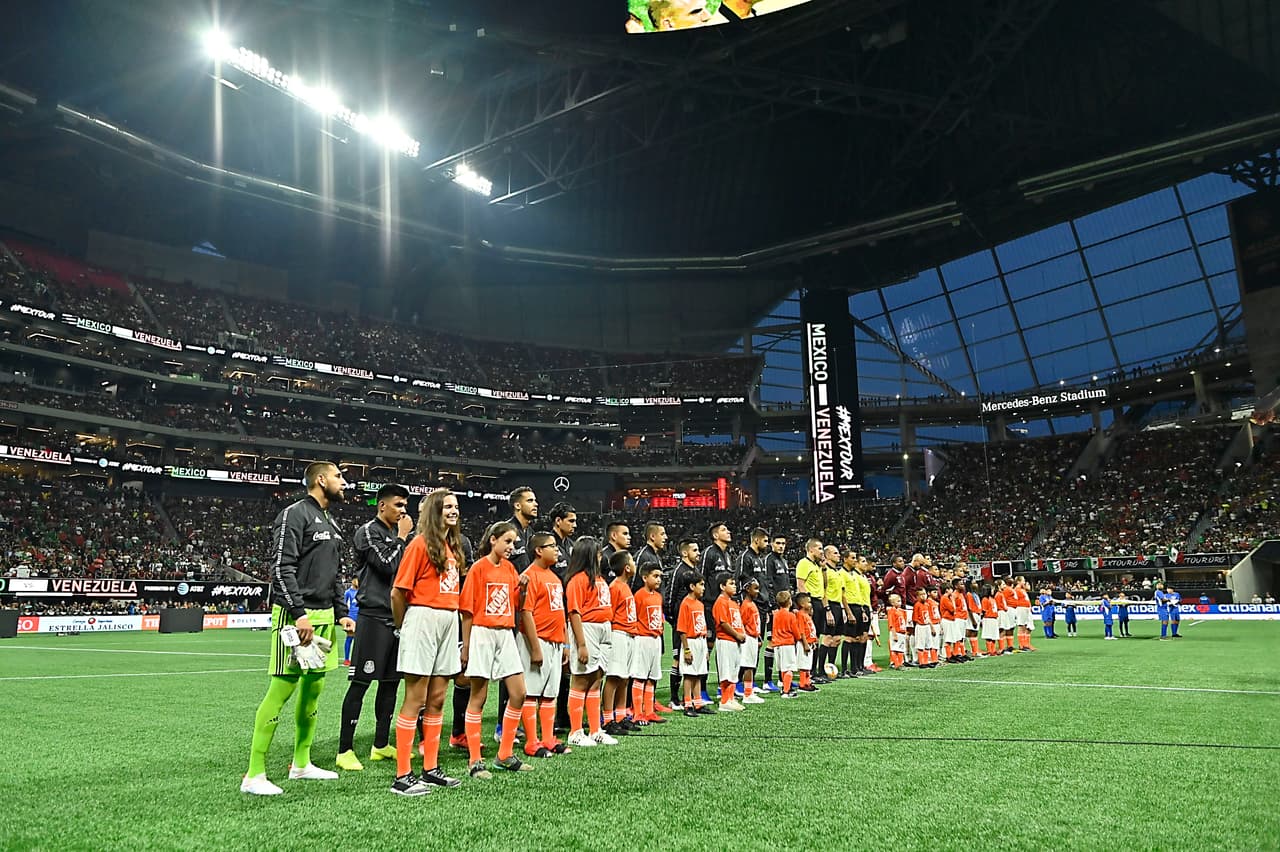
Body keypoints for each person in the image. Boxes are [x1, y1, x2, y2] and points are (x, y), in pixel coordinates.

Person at [241, 461, 355, 796]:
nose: (344, 482)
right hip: (297, 617)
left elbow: (334, 574)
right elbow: (280, 566)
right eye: (338, 477)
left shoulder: (331, 521)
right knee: (281, 690)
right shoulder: (294, 514)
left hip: (322, 618)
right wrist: (299, 613)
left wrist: (341, 613)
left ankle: (301, 764)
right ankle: (254, 774)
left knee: (313, 691)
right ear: (320, 480)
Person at [389, 488, 466, 796]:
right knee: (415, 699)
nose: (453, 510)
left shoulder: (451, 547)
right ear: (434, 510)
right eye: (447, 506)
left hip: (449, 619)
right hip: (422, 617)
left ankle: (430, 769)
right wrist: (402, 625)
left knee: (436, 699)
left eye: (456, 506)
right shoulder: (420, 544)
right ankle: (402, 775)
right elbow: (398, 592)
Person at [336, 484, 413, 772]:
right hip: (372, 618)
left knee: (391, 683)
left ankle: (380, 744)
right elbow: (386, 566)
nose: (403, 510)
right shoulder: (368, 531)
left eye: (405, 505)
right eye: (398, 505)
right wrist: (403, 538)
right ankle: (344, 749)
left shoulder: (394, 536)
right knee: (360, 684)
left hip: (396, 619)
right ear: (382, 506)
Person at [459, 521, 534, 780]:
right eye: (507, 541)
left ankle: (504, 755)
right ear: (493, 540)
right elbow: (467, 611)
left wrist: (522, 589)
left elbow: (517, 604)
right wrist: (466, 646)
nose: (512, 547)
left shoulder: (511, 569)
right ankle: (474, 761)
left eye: (514, 542)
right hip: (482, 632)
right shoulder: (478, 568)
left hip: (505, 633)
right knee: (478, 697)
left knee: (519, 692)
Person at [517, 532, 570, 759]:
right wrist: (535, 647)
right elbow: (525, 612)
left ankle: (547, 738)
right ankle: (531, 741)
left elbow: (561, 612)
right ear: (539, 550)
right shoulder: (530, 575)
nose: (557, 550)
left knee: (550, 693)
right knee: (531, 692)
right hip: (536, 640)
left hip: (556, 642)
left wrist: (566, 643)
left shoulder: (554, 578)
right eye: (552, 546)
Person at [492, 486, 538, 745]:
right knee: (507, 668)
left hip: (525, 607)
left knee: (519, 667)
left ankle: (515, 720)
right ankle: (501, 725)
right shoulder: (506, 530)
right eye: (530, 501)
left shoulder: (530, 533)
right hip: (506, 609)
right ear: (517, 505)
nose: (535, 504)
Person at [564, 536, 617, 747]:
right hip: (587, 628)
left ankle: (595, 729)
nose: (600, 555)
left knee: (596, 679)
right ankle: (576, 731)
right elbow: (574, 612)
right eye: (597, 552)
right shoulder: (577, 580)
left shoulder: (599, 579)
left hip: (604, 628)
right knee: (580, 679)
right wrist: (581, 643)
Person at [632, 521, 671, 714]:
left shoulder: (656, 556)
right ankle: (636, 706)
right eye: (662, 534)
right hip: (642, 623)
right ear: (652, 536)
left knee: (654, 663)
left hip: (655, 617)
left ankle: (650, 702)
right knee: (640, 666)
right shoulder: (642, 556)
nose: (665, 538)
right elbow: (634, 588)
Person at [548, 502, 577, 732]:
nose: (574, 525)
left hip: (565, 611)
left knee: (564, 667)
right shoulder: (549, 544)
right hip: (551, 611)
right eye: (571, 520)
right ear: (558, 521)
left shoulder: (569, 545)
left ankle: (561, 716)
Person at [604, 551, 639, 736]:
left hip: (629, 634)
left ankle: (621, 715)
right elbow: (610, 613)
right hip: (618, 633)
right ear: (626, 567)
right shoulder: (615, 587)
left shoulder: (625, 586)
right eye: (632, 561)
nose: (635, 564)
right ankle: (608, 718)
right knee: (614, 677)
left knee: (624, 677)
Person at [666, 539, 703, 710]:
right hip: (681, 624)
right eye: (695, 550)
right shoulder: (678, 571)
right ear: (685, 553)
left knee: (690, 662)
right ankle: (674, 699)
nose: (698, 553)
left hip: (692, 624)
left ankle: (688, 698)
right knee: (677, 659)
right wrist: (674, 621)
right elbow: (670, 597)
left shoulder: (694, 571)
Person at [630, 562, 667, 724]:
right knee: (640, 676)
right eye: (655, 576)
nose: (659, 579)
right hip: (643, 639)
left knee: (652, 677)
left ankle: (650, 711)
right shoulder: (638, 596)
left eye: (660, 576)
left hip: (656, 640)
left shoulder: (658, 596)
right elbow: (634, 617)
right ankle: (638, 712)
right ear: (645, 578)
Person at [676, 575, 711, 717]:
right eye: (701, 585)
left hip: (701, 641)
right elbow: (682, 629)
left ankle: (698, 703)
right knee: (689, 675)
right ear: (692, 586)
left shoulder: (700, 604)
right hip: (691, 641)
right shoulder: (686, 603)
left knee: (698, 674)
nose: (703, 588)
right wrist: (686, 649)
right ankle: (687, 704)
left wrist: (706, 648)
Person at [712, 573, 746, 711]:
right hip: (726, 640)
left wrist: (741, 634)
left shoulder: (733, 602)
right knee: (726, 671)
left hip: (736, 641)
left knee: (733, 671)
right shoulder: (721, 601)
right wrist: (737, 634)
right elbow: (723, 623)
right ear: (722, 586)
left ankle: (731, 698)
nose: (735, 586)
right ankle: (724, 701)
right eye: (731, 583)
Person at [761, 534, 790, 691]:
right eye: (778, 543)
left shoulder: (783, 561)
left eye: (783, 543)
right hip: (774, 608)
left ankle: (781, 678)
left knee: (782, 643)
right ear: (772, 544)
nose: (781, 546)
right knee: (772, 642)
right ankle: (766, 681)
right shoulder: (769, 560)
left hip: (784, 608)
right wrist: (772, 606)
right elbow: (767, 584)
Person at [794, 539, 826, 680]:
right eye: (819, 548)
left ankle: (813, 671)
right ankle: (807, 672)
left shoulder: (817, 565)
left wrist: (824, 568)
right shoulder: (804, 563)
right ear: (811, 550)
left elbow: (825, 585)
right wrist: (807, 605)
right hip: (810, 602)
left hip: (818, 601)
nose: (822, 551)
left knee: (816, 637)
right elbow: (801, 585)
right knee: (808, 637)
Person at [822, 545, 848, 679]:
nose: (838, 555)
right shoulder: (824, 570)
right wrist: (827, 609)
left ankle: (830, 668)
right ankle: (820, 670)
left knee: (837, 639)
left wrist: (843, 610)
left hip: (838, 606)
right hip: (830, 605)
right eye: (835, 553)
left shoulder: (837, 572)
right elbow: (823, 591)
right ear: (827, 555)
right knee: (827, 638)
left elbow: (842, 594)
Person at [738, 577, 764, 704]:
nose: (758, 591)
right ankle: (747, 694)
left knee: (751, 666)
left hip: (753, 637)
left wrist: (758, 637)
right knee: (748, 666)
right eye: (755, 588)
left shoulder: (752, 604)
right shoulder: (745, 605)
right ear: (747, 589)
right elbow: (742, 623)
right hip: (747, 638)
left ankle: (749, 691)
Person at [771, 590, 798, 698]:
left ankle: (784, 687)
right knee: (789, 668)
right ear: (789, 601)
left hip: (777, 644)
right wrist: (798, 638)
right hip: (787, 644)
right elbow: (795, 630)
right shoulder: (791, 615)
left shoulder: (776, 614)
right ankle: (786, 691)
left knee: (782, 668)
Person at [794, 594, 819, 691]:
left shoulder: (807, 615)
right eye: (808, 602)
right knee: (803, 665)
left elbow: (811, 628)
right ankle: (802, 683)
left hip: (810, 643)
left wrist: (815, 639)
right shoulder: (800, 615)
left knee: (808, 665)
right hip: (804, 644)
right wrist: (805, 644)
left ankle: (808, 682)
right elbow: (801, 631)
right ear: (802, 604)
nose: (811, 604)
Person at [912, 588, 936, 668]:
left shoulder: (927, 604)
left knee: (927, 644)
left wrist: (931, 627)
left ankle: (926, 661)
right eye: (921, 595)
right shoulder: (917, 605)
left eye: (924, 594)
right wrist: (920, 623)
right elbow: (915, 618)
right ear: (917, 597)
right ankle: (921, 662)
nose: (923, 596)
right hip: (921, 627)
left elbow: (928, 617)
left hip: (927, 626)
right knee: (920, 644)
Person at [886, 594, 908, 669]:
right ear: (892, 603)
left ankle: (901, 663)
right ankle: (896, 663)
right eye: (898, 601)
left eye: (900, 601)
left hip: (902, 632)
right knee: (895, 648)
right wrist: (894, 633)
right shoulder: (891, 611)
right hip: (895, 632)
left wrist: (905, 631)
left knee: (901, 649)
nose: (900, 603)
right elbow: (891, 623)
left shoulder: (901, 611)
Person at [979, 585, 1000, 657]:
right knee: (988, 635)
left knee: (994, 635)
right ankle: (989, 650)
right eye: (991, 589)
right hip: (988, 618)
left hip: (994, 618)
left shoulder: (992, 598)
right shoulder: (985, 599)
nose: (993, 591)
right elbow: (984, 611)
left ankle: (993, 650)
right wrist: (981, 620)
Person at [342, 578, 359, 666]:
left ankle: (358, 658)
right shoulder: (348, 592)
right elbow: (344, 604)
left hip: (361, 617)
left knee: (360, 639)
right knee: (349, 638)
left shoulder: (362, 591)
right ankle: (346, 659)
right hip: (351, 617)